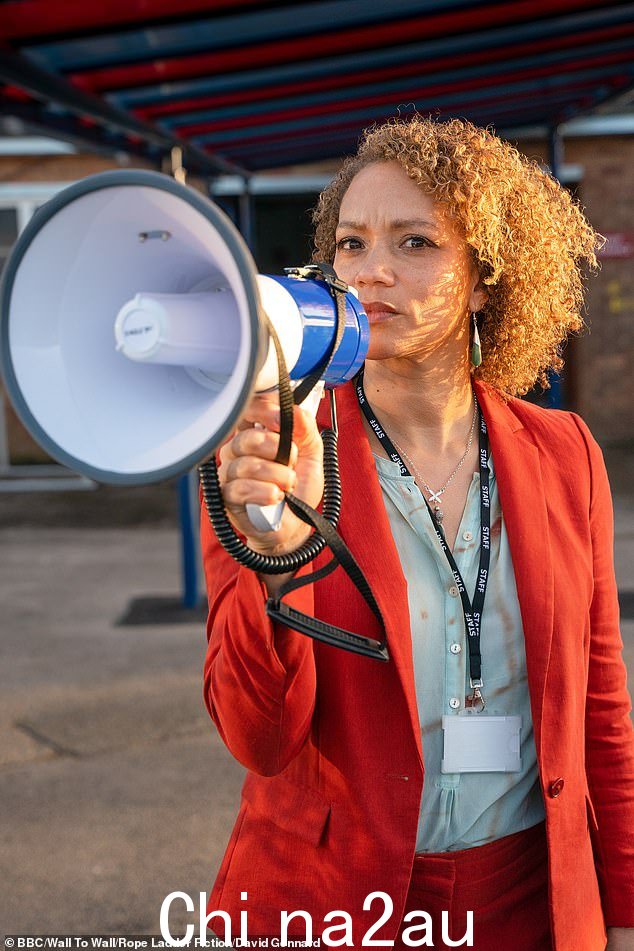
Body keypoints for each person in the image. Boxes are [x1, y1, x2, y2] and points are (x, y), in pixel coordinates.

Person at [199, 117, 634, 950]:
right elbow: (257, 737)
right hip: (330, 903)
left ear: (484, 278)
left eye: (416, 241)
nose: (373, 272)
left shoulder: (565, 454)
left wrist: (624, 908)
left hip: (529, 900)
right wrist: (282, 555)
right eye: (353, 245)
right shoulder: (270, 450)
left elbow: (602, 711)